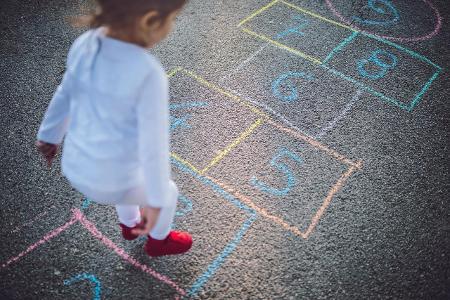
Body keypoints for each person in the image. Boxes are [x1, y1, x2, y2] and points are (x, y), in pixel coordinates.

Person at [35, 0, 192, 257]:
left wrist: (48, 136)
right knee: (168, 192)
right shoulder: (148, 73)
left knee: (127, 173)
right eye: (171, 20)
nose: (170, 27)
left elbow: (65, 92)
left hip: (75, 168)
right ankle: (158, 242)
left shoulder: (85, 43)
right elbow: (154, 145)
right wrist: (155, 200)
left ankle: (130, 226)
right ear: (149, 20)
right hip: (113, 181)